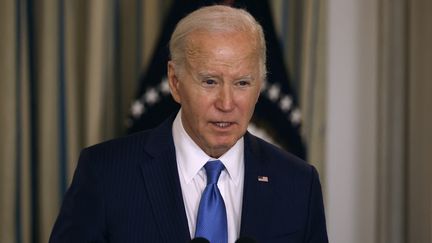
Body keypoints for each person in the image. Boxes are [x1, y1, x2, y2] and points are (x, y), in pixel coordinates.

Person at [49, 5, 328, 243]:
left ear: (260, 87)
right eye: (209, 81)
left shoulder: (299, 184)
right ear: (175, 82)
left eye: (242, 83)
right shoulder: (105, 173)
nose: (227, 103)